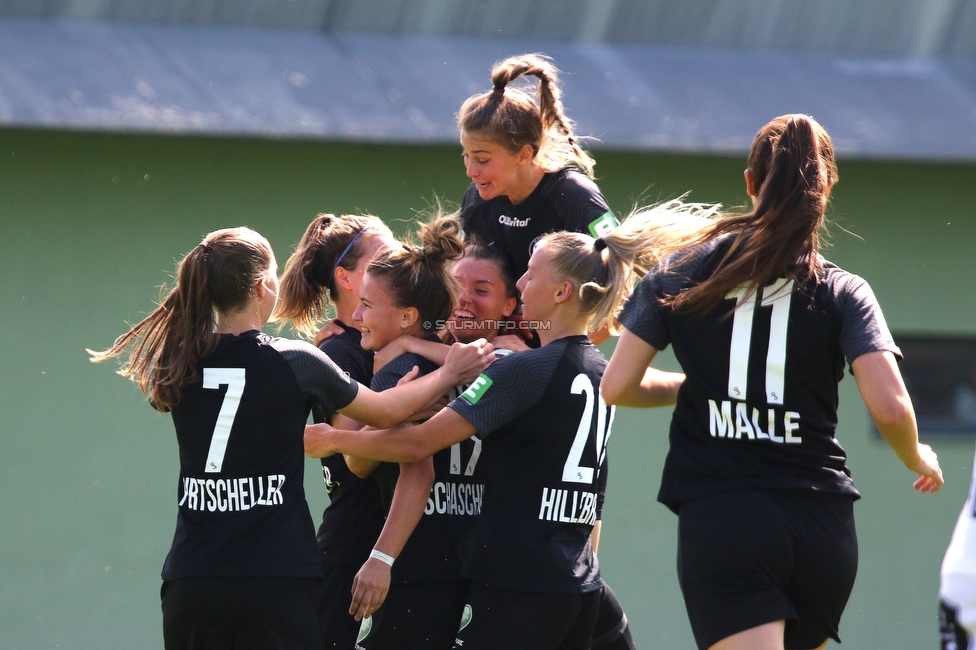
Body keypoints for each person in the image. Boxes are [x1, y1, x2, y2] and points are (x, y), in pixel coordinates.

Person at [600, 114, 944, 650]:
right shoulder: (845, 289)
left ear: (749, 183)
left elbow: (617, 386)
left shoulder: (681, 273)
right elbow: (893, 408)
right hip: (822, 526)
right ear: (827, 185)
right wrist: (915, 455)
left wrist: (690, 388)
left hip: (727, 520)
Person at [304, 206, 700, 649]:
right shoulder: (600, 372)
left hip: (517, 580)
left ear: (562, 291)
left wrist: (335, 438)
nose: (523, 283)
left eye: (529, 276)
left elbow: (417, 445)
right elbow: (596, 505)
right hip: (579, 579)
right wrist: (701, 384)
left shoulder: (522, 370)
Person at [88, 226, 492, 650]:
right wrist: (448, 374)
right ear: (264, 285)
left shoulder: (180, 355)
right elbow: (385, 410)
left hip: (193, 575)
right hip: (275, 575)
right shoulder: (295, 358)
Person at [274, 213, 418, 649]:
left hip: (386, 546)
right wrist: (403, 397)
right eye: (382, 253)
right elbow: (357, 457)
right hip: (356, 547)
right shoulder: (340, 350)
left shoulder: (390, 337)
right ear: (346, 278)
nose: (397, 256)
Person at [345, 214, 484, 650]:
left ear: (408, 316)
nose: (356, 314)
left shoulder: (402, 374)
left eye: (367, 303)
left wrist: (379, 560)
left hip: (415, 568)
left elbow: (396, 469)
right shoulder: (465, 364)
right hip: (469, 565)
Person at [458, 53, 617, 282]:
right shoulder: (476, 200)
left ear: (524, 155)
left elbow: (621, 263)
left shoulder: (574, 196)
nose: (471, 171)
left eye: (482, 160)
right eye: (467, 155)